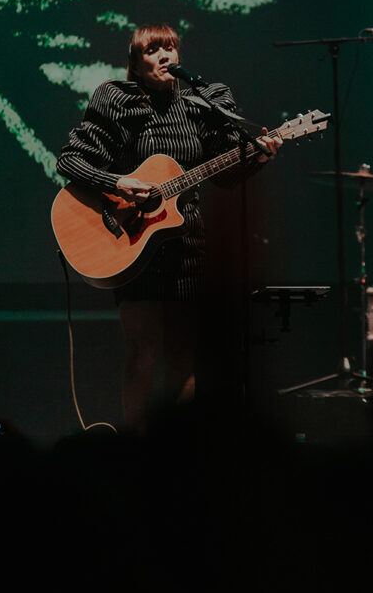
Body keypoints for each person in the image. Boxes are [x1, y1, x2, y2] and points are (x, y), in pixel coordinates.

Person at [56, 23, 281, 433]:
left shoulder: (202, 102)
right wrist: (118, 182)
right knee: (141, 351)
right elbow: (70, 161)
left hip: (187, 244)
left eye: (170, 48)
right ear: (136, 65)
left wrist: (258, 157)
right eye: (152, 51)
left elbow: (225, 174)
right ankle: (135, 452)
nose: (164, 56)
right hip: (132, 242)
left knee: (183, 353)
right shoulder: (117, 99)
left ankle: (177, 457)